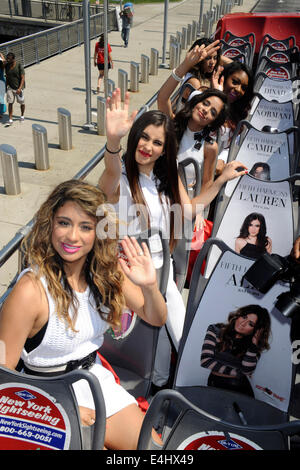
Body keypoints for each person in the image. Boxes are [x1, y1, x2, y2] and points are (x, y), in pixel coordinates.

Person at [0, 179, 167, 450]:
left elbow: (156, 317)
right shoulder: (30, 290)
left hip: (93, 379)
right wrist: (65, 408)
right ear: (50, 224)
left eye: (86, 227)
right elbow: (3, 375)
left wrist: (149, 286)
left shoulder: (106, 272)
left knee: (157, 451)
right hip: (39, 394)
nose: (72, 236)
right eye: (64, 222)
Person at [98, 87, 248, 387]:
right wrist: (113, 141)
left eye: (157, 142)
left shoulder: (168, 177)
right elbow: (110, 174)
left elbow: (191, 211)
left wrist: (220, 180)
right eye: (143, 137)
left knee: (180, 334)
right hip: (125, 272)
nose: (148, 147)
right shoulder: (122, 179)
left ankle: (182, 391)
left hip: (159, 271)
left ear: (166, 149)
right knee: (123, 343)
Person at [157, 42, 229, 194]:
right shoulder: (172, 124)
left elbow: (206, 184)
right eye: (206, 103)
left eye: (213, 112)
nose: (205, 110)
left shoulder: (210, 147)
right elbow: (163, 98)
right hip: (156, 195)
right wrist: (185, 65)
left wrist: (196, 214)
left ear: (213, 121)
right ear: (196, 103)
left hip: (183, 207)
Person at [201, 304, 271, 397]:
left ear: (256, 330)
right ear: (238, 315)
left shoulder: (253, 344)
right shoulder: (215, 330)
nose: (243, 323)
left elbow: (247, 371)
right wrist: (237, 372)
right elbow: (205, 361)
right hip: (215, 382)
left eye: (250, 324)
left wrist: (254, 346)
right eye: (244, 317)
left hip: (240, 387)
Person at [4, 52, 25, 125]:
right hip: (10, 87)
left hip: (18, 88)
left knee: (21, 102)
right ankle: (10, 119)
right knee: (10, 102)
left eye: (9, 59)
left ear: (13, 59)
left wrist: (19, 88)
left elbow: (23, 78)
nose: (8, 60)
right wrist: (5, 87)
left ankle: (22, 116)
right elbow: (7, 77)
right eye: (7, 59)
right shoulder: (7, 66)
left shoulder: (19, 66)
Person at [0, 52, 6, 120]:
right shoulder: (2, 67)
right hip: (2, 82)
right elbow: (4, 61)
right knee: (1, 98)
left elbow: (4, 61)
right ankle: (1, 112)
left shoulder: (1, 67)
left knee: (1, 98)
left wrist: (1, 54)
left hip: (1, 83)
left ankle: (0, 113)